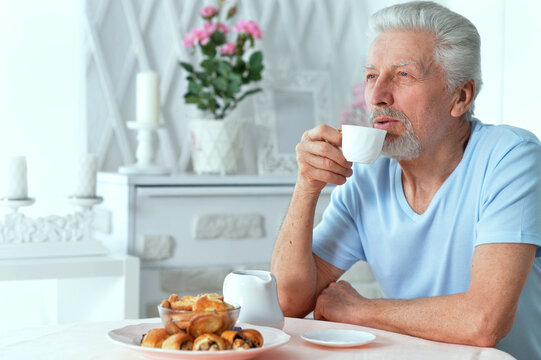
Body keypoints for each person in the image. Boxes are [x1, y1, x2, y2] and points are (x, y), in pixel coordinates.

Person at [270, 1, 541, 359]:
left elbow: (484, 322)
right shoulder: (368, 175)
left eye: (403, 75)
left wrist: (358, 311)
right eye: (371, 75)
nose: (378, 96)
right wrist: (307, 184)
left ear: (460, 96)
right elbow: (286, 302)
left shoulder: (512, 157)